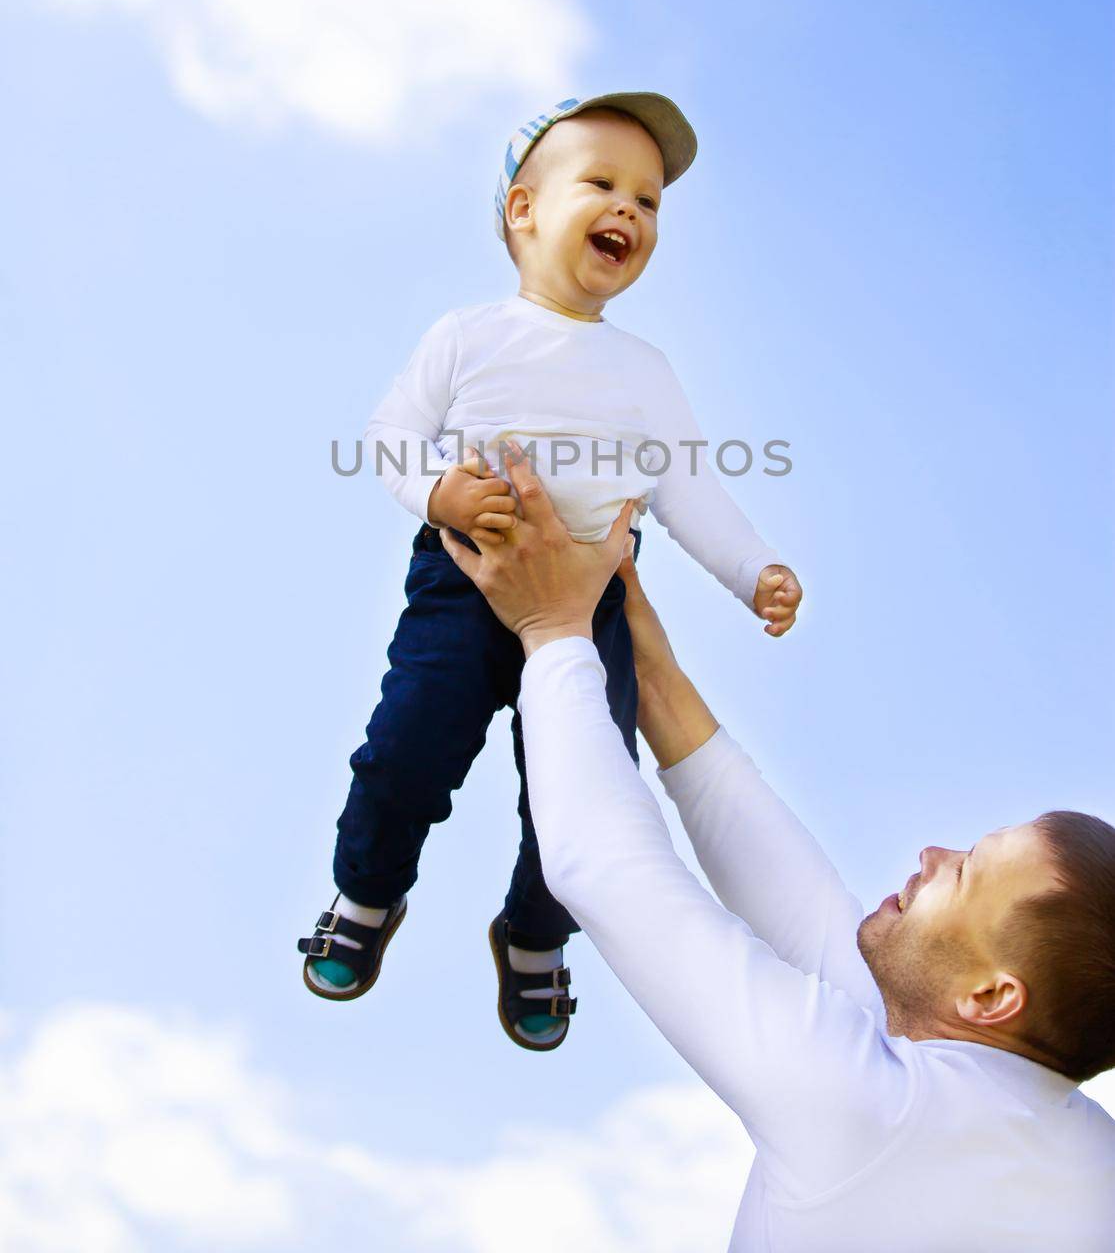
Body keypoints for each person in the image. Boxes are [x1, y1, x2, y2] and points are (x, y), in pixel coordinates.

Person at [439, 444, 1115, 1250]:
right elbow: (797, 907)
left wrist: (549, 629)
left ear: (991, 998)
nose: (932, 854)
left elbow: (606, 870)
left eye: (962, 874)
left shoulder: (877, 1109)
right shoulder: (1069, 1145)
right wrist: (632, 642)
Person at [297, 92, 803, 1049]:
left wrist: (753, 570)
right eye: (604, 184)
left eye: (650, 202)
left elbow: (688, 484)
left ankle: (534, 936)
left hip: (594, 603)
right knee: (406, 749)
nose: (631, 211)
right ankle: (365, 893)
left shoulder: (645, 369)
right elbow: (390, 435)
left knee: (584, 791)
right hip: (465, 580)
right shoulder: (467, 335)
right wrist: (440, 491)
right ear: (522, 211)